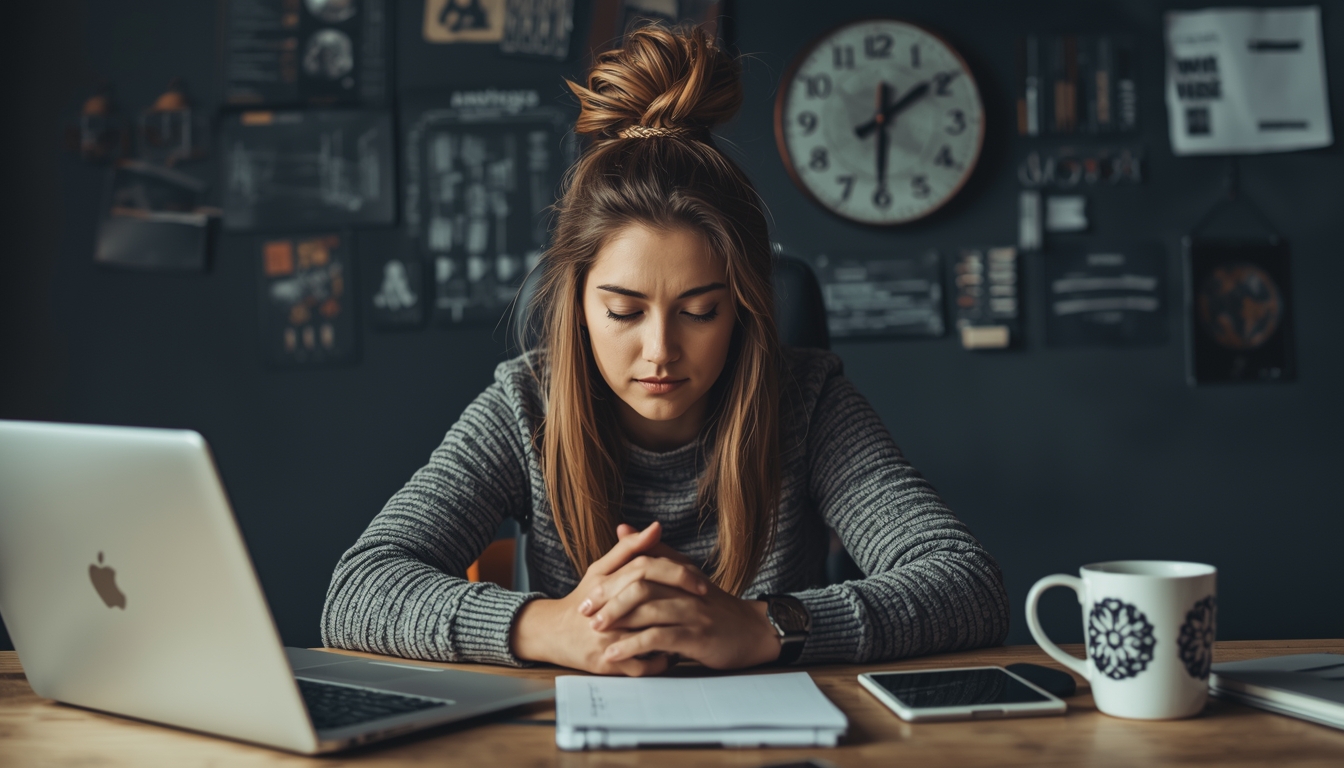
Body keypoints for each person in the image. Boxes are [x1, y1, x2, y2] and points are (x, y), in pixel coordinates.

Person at [321, 25, 1009, 676]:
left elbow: (966, 584)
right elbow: (359, 589)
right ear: (580, 306)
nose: (660, 351)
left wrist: (764, 627)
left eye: (700, 311)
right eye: (623, 310)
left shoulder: (808, 402)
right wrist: (550, 627)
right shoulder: (525, 405)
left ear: (743, 305)